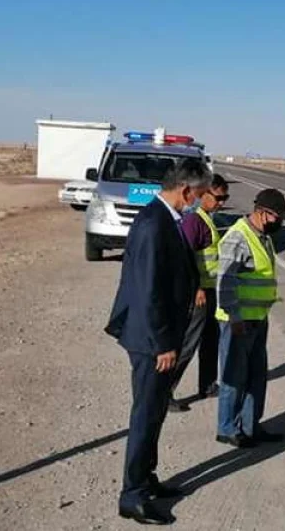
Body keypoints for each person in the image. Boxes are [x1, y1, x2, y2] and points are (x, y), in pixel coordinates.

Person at [104, 158, 211, 525]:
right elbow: (149, 290)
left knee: (155, 413)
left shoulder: (165, 218)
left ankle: (146, 478)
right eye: (200, 194)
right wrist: (163, 344)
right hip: (152, 340)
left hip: (158, 335)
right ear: (186, 190)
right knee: (146, 414)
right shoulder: (154, 223)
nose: (200, 201)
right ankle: (132, 495)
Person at [214, 188, 285, 448]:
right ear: (262, 212)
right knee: (234, 376)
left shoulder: (263, 237)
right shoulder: (238, 237)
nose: (279, 222)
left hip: (258, 318)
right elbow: (225, 282)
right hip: (238, 321)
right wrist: (235, 317)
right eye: (276, 217)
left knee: (256, 376)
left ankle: (250, 427)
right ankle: (227, 428)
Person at [167, 173, 230, 412]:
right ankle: (165, 392)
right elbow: (184, 258)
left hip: (212, 291)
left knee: (210, 341)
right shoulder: (193, 221)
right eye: (218, 198)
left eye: (225, 198)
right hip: (199, 294)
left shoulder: (207, 219)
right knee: (188, 342)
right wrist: (196, 289)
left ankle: (208, 384)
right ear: (204, 194)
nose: (221, 203)